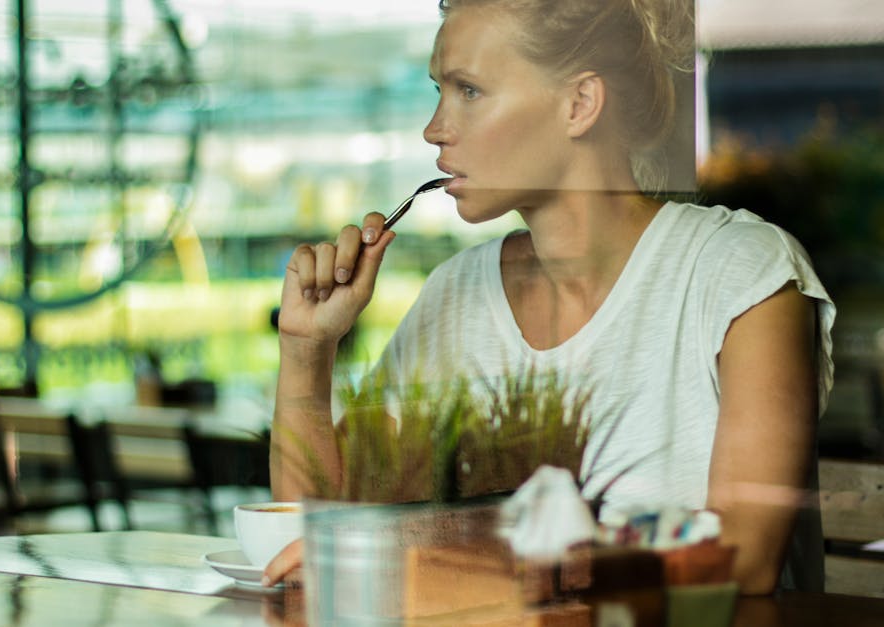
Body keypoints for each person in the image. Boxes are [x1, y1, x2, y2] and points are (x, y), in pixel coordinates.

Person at [267, 0, 834, 596]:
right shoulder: (453, 294)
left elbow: (743, 558)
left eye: (469, 91)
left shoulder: (740, 273)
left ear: (580, 104)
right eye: (440, 90)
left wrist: (436, 552)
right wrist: (307, 349)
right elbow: (313, 545)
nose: (434, 128)